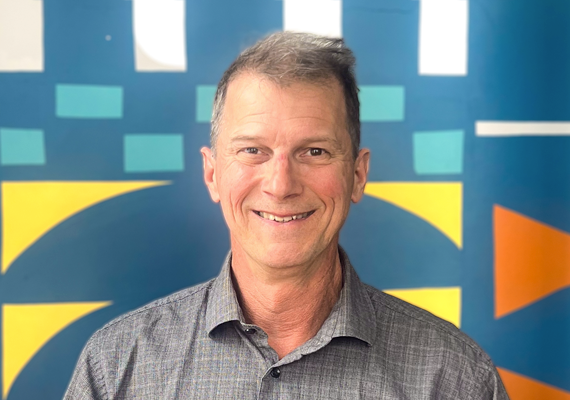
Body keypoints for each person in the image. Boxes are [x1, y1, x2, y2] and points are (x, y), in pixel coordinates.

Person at [64, 32, 509, 399]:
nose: (281, 185)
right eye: (252, 150)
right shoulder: (117, 367)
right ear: (212, 174)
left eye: (314, 151)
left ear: (357, 175)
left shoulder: (454, 379)